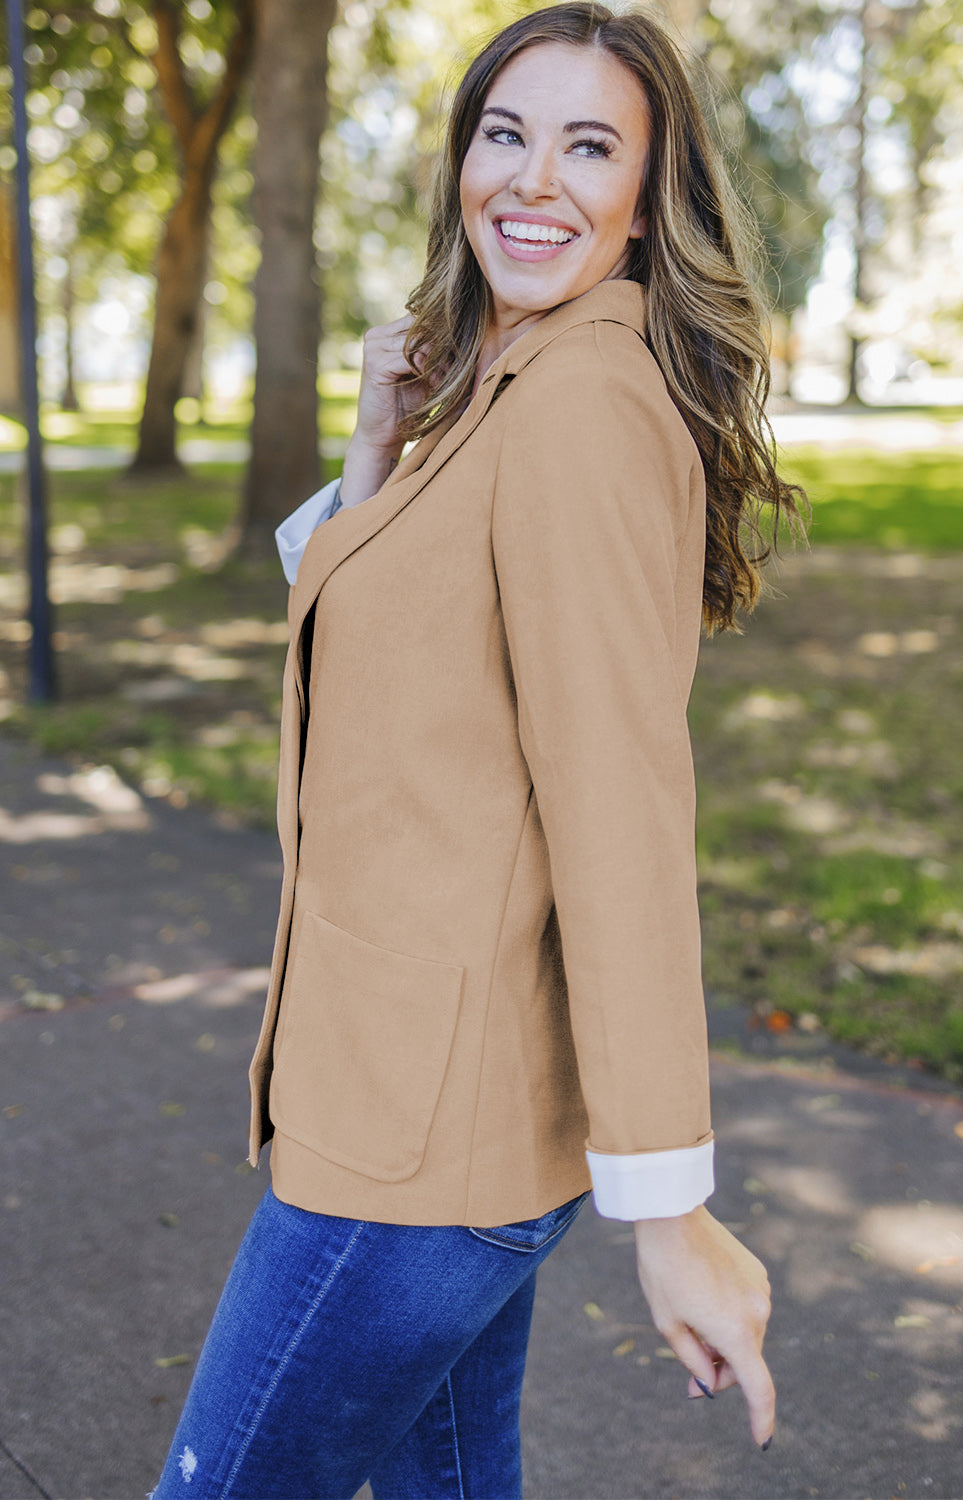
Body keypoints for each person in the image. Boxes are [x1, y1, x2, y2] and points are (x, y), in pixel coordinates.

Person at [152, 5, 805, 1496]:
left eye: (590, 147)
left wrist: (671, 1207)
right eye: (506, 134)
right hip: (433, 1113)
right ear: (460, 163)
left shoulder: (577, 404)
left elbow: (620, 810)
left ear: (646, 202)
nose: (534, 179)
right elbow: (397, 668)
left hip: (411, 1149)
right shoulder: (501, 388)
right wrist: (375, 457)